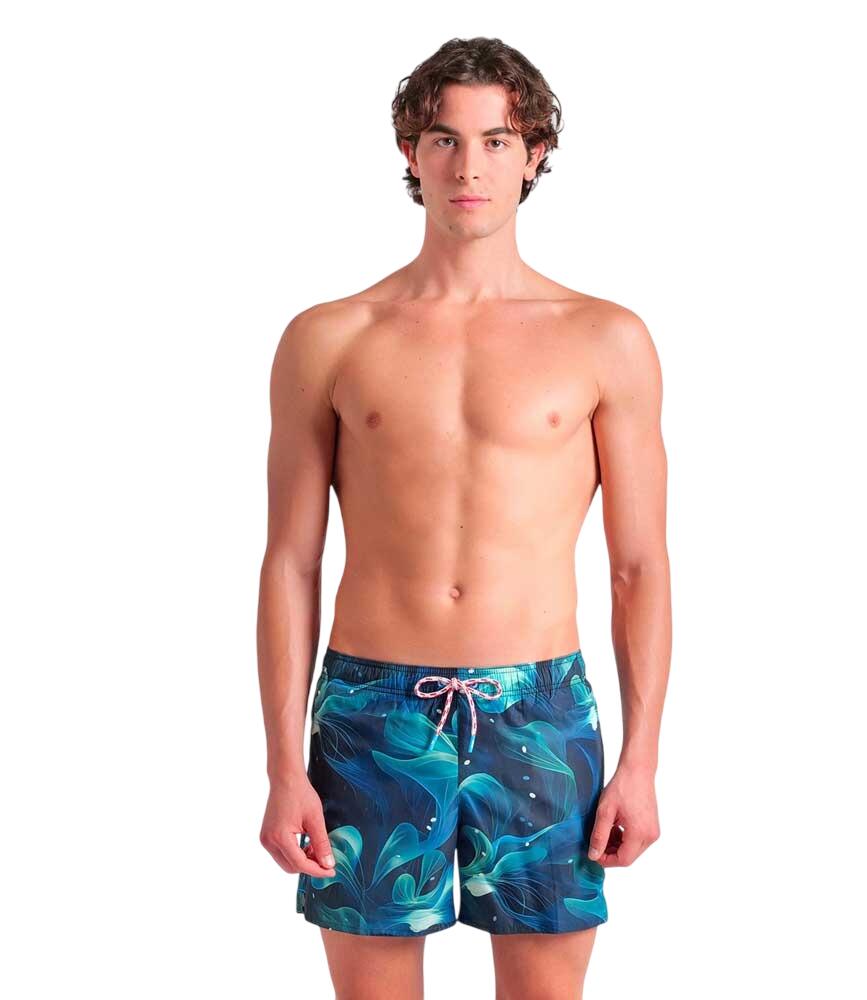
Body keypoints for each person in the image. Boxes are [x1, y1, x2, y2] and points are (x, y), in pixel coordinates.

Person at [257, 36, 671, 1000]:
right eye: (444, 139)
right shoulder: (330, 337)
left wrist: (642, 760)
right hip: (368, 711)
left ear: (534, 154)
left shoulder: (605, 339)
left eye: (496, 140)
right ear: (411, 151)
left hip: (540, 711)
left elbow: (640, 567)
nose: (469, 167)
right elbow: (289, 562)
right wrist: (283, 765)